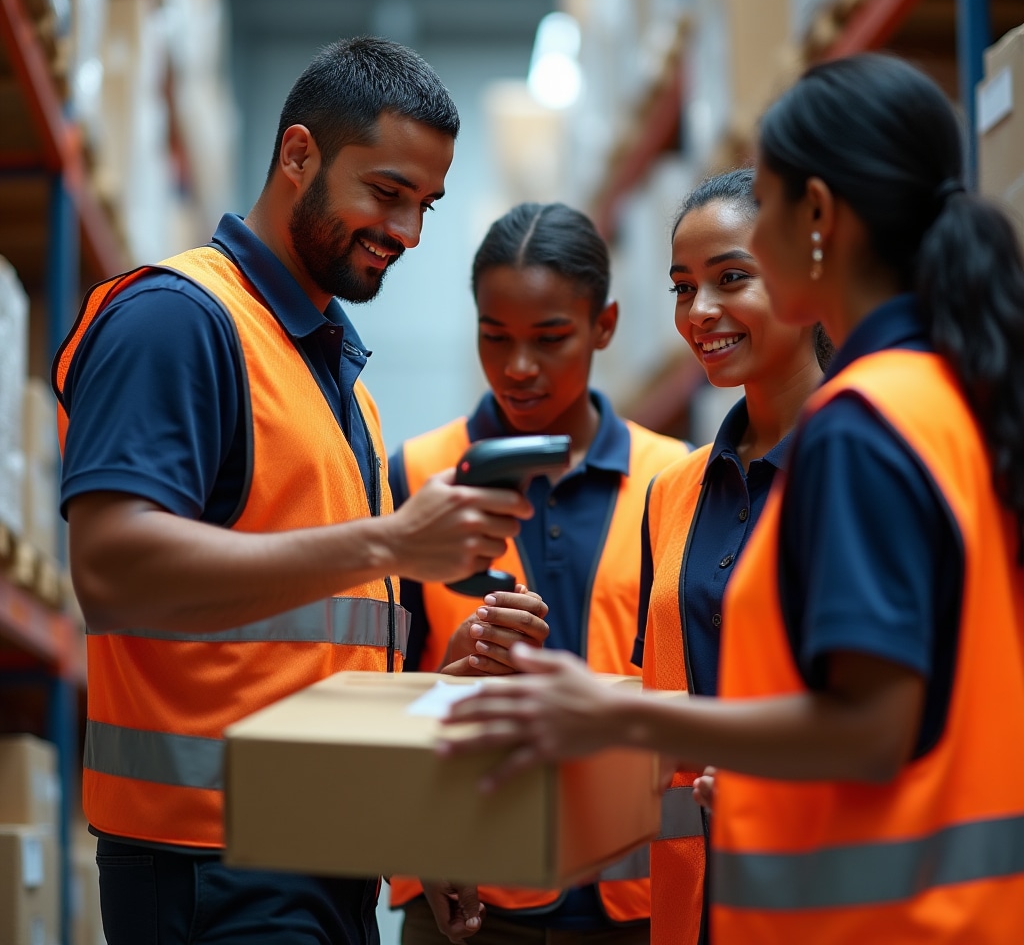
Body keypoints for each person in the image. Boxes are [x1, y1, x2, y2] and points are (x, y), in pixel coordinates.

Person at [439, 53, 1024, 943]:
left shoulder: (866, 424)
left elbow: (871, 725)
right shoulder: (947, 396)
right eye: (681, 288)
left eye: (763, 225)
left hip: (870, 918)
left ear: (817, 218)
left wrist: (614, 711)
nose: (700, 309)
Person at [51, 36, 533, 945]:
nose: (408, 234)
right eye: (387, 194)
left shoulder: (339, 382)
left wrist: (417, 818)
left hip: (322, 852)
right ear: (298, 154)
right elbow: (112, 568)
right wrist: (389, 544)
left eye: (424, 206)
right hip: (208, 870)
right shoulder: (177, 321)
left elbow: (306, 657)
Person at [387, 202, 690, 945]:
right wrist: (446, 677)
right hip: (465, 895)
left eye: (550, 339)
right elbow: (371, 687)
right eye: (496, 338)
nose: (519, 368)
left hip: (635, 901)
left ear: (605, 325)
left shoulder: (675, 480)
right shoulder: (420, 475)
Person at [630, 167, 827, 945]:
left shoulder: (865, 463)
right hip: (699, 912)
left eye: (731, 278)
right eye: (682, 287)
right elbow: (667, 702)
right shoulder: (671, 492)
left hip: (826, 896)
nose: (699, 312)